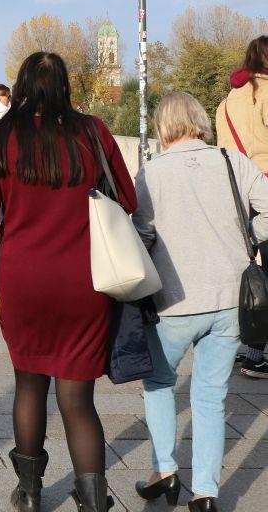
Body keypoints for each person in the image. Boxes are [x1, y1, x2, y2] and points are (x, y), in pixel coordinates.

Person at [0, 52, 136, 512]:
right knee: (78, 399)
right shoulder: (93, 131)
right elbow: (128, 197)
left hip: (23, 280)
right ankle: (92, 501)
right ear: (65, 86)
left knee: (28, 386)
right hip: (85, 282)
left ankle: (28, 492)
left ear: (21, 86)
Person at [132, 92, 268, 512]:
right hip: (230, 299)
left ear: (162, 126)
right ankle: (206, 492)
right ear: (199, 121)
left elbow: (142, 235)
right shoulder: (233, 161)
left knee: (158, 384)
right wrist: (252, 241)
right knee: (211, 397)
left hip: (173, 301)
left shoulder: (150, 174)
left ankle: (166, 471)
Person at [216, 35, 268, 379]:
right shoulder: (264, 93)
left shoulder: (227, 100)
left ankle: (244, 343)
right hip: (264, 181)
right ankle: (256, 354)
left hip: (233, 187)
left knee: (246, 268)